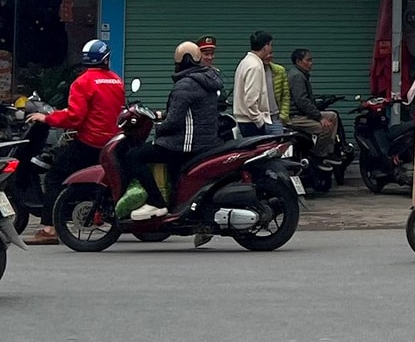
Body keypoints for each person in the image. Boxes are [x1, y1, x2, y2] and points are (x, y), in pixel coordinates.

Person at [23, 39, 126, 244]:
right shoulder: (117, 81)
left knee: (54, 177)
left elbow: (75, 118)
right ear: (106, 59)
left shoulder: (82, 82)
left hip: (90, 142)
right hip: (111, 143)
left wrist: (48, 118)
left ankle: (49, 229)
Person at [125, 43, 223, 221]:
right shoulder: (206, 80)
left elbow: (174, 122)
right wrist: (162, 115)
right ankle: (174, 205)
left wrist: (159, 128)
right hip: (204, 140)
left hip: (186, 144)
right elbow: (190, 112)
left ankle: (156, 203)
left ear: (180, 61)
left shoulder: (185, 84)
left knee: (135, 156)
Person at [285, 49, 340, 156]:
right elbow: (302, 101)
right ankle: (318, 155)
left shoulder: (300, 74)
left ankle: (329, 151)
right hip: (295, 117)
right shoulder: (297, 76)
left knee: (332, 116)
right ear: (298, 62)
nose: (311, 63)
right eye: (308, 60)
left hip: (301, 114)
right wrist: (319, 117)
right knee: (326, 128)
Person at [233, 31, 276, 137]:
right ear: (266, 46)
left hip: (246, 121)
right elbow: (251, 99)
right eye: (270, 45)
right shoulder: (255, 66)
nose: (271, 48)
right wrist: (259, 121)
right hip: (251, 123)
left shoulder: (245, 62)